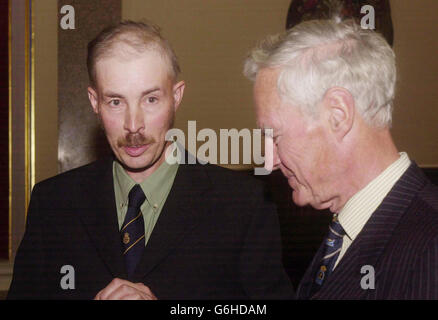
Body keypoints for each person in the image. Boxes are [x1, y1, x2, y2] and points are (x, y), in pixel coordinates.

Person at [7, 20, 294, 300]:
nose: (134, 125)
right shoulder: (54, 203)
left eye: (151, 100)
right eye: (116, 102)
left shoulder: (242, 204)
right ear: (95, 102)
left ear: (176, 96)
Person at [244, 18, 438, 299]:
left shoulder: (429, 246)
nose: (267, 161)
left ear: (338, 115)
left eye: (275, 136)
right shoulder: (347, 229)